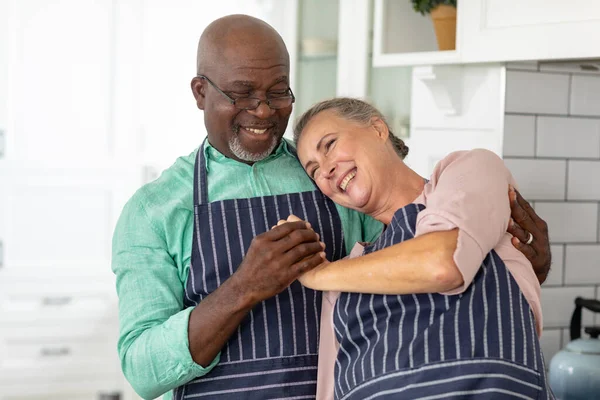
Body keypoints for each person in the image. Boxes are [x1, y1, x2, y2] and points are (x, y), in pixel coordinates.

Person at [111, 15, 552, 400]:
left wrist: (512, 258)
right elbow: (142, 369)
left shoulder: (335, 180)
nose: (263, 111)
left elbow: (427, 268)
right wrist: (242, 288)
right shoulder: (154, 211)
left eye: (279, 91)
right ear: (200, 91)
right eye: (242, 94)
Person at [291, 97, 553, 399]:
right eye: (313, 171)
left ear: (377, 128)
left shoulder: (469, 171)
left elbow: (443, 263)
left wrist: (315, 274)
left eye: (330, 145)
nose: (325, 170)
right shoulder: (342, 280)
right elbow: (330, 391)